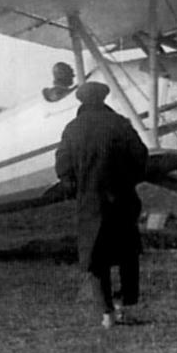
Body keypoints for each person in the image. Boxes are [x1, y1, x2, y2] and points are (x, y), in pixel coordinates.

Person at [55, 81, 148, 328]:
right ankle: (125, 308)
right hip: (122, 200)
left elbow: (62, 167)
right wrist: (128, 181)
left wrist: (77, 186)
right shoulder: (120, 124)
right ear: (103, 99)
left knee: (98, 259)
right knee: (128, 257)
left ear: (82, 101)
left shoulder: (72, 129)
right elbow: (141, 157)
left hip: (90, 203)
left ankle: (106, 313)